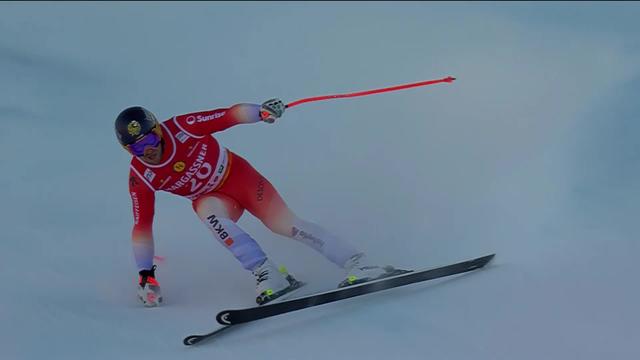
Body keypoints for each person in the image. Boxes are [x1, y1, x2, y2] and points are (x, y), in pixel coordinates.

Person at [116, 99, 402, 307]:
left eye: (150, 138)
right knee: (207, 213)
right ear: (128, 150)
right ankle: (268, 274)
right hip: (215, 198)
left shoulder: (182, 127)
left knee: (284, 224)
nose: (149, 149)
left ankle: (359, 263)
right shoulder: (141, 176)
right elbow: (142, 225)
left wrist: (260, 112)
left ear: (159, 130)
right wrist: (145, 275)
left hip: (240, 178)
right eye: (138, 147)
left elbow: (228, 115)